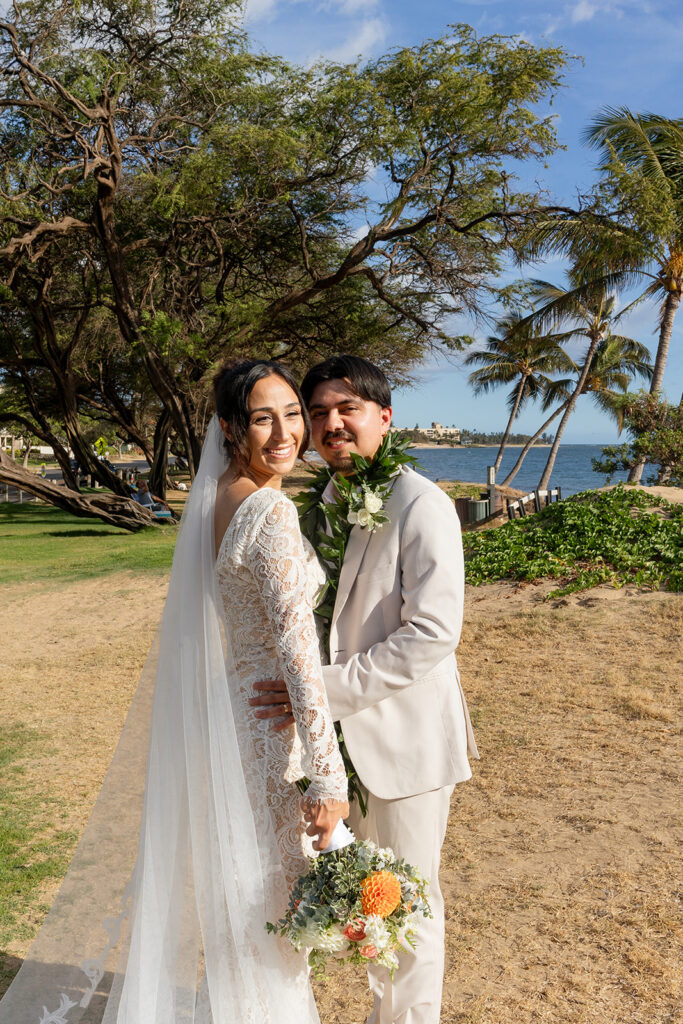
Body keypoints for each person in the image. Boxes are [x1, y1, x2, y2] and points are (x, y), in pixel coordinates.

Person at [0, 359, 348, 1024]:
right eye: (262, 417)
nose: (285, 431)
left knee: (244, 906)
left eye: (292, 414)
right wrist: (328, 778)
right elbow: (299, 656)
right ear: (229, 426)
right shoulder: (271, 511)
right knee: (275, 915)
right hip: (271, 734)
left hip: (233, 717)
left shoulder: (220, 494)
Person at [250, 354, 479, 1024]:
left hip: (403, 740)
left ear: (383, 416)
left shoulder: (420, 503)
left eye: (346, 408)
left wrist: (318, 693)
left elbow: (432, 632)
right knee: (363, 897)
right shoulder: (318, 506)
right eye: (317, 412)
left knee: (410, 900)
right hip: (334, 750)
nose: (331, 423)